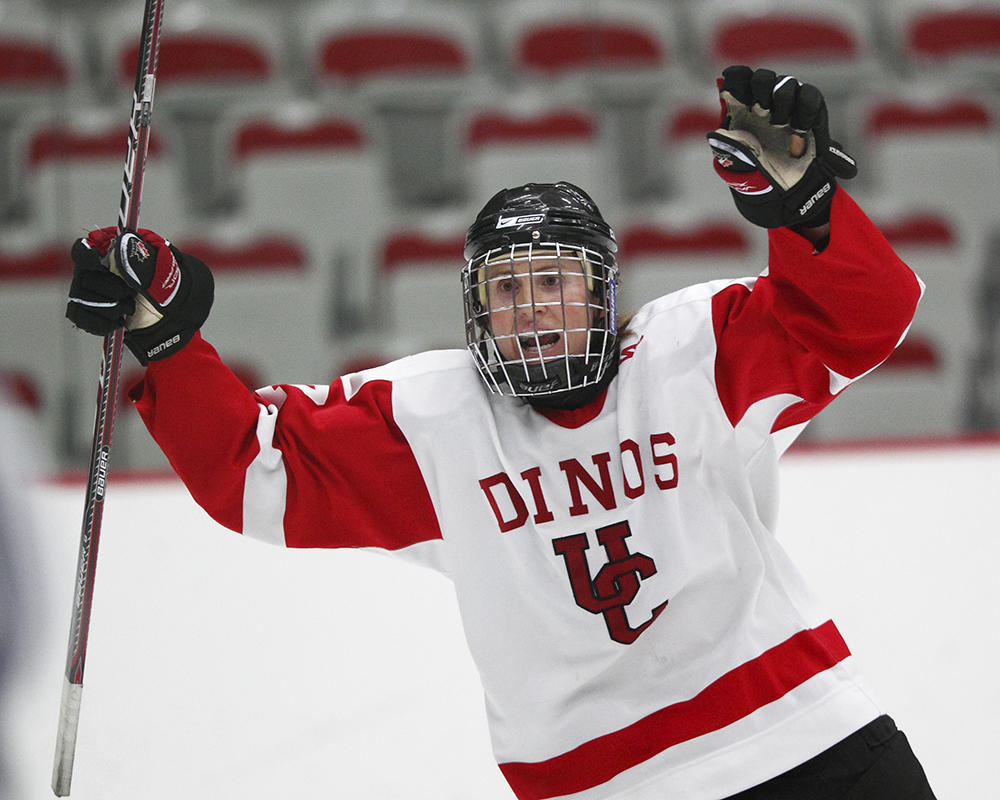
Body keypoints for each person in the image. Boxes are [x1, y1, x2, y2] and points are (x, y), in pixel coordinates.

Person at [64, 66, 937, 799]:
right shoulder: (438, 425)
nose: (531, 311)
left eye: (554, 282)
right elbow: (255, 469)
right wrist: (167, 336)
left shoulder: (690, 352)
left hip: (809, 744)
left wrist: (808, 208)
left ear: (603, 293)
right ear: (476, 310)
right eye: (507, 292)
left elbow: (859, 322)